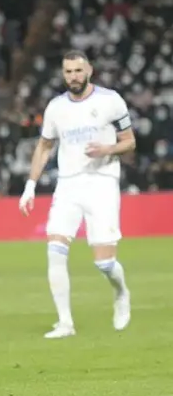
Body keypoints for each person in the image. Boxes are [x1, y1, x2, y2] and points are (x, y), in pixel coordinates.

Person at [20, 50, 135, 339]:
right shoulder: (56, 108)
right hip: (68, 185)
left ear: (90, 71)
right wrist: (30, 185)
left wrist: (107, 150)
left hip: (102, 183)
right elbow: (45, 146)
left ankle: (121, 293)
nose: (73, 76)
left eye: (78, 71)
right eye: (68, 71)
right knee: (55, 250)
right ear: (63, 74)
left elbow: (130, 141)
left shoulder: (110, 101)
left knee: (104, 263)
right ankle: (65, 323)